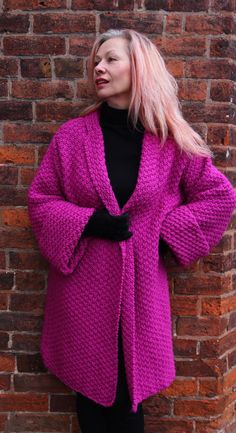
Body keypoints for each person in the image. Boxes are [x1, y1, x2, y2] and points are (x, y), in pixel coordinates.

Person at [27, 29, 236, 433]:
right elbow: (41, 201)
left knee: (127, 404)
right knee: (89, 404)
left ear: (137, 66)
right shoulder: (72, 137)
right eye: (96, 62)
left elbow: (219, 197)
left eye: (110, 59)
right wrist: (89, 221)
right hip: (82, 292)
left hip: (140, 293)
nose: (99, 69)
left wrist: (162, 232)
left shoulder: (168, 140)